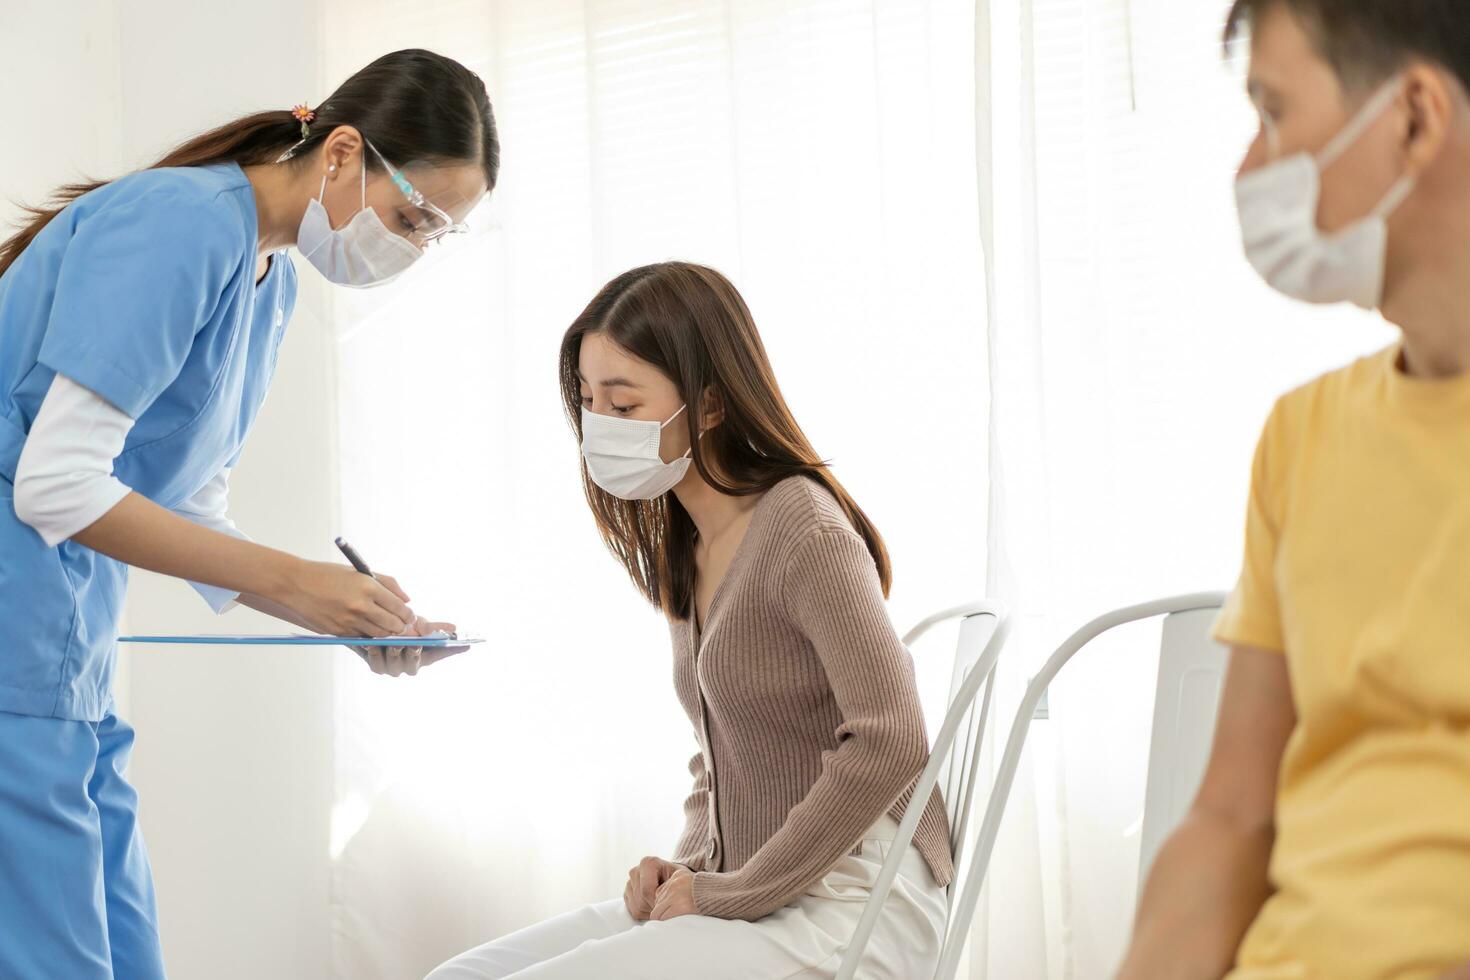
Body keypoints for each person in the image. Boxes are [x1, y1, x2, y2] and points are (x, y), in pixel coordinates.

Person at [0, 48, 497, 979]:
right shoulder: (178, 224)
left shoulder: (268, 286)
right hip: (15, 648)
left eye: (440, 235)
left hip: (64, 654)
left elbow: (184, 502)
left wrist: (342, 617)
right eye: (415, 216)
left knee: (121, 949)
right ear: (343, 151)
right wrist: (300, 584)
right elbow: (55, 482)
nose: (414, 249)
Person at [428, 262, 951, 979]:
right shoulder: (689, 541)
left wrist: (733, 891)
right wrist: (688, 866)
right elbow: (722, 751)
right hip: (763, 883)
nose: (597, 427)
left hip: (856, 898)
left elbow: (891, 740)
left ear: (708, 406)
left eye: (624, 404)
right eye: (587, 401)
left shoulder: (804, 529)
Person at [1118, 3, 1470, 978]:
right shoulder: (1303, 438)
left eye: (1274, 112)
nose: (1246, 170)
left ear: (1415, 117)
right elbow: (1232, 814)